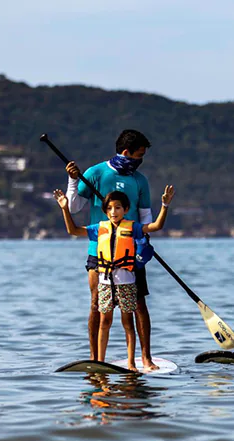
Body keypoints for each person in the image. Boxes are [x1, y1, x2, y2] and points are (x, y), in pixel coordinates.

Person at [64, 130, 158, 369]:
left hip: (131, 253)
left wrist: (144, 244)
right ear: (126, 153)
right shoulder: (95, 173)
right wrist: (73, 180)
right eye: (139, 155)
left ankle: (145, 358)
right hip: (100, 252)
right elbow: (74, 207)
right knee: (97, 304)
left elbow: (147, 217)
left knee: (138, 305)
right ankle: (96, 359)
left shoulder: (140, 180)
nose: (141, 160)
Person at [53, 187, 175, 371]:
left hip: (126, 282)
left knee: (127, 322)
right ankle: (100, 362)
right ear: (105, 211)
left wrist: (165, 205)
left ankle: (131, 363)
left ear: (125, 210)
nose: (113, 212)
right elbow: (73, 230)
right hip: (105, 282)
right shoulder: (99, 228)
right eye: (110, 208)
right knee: (104, 322)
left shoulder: (132, 227)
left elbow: (155, 226)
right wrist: (64, 208)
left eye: (118, 208)